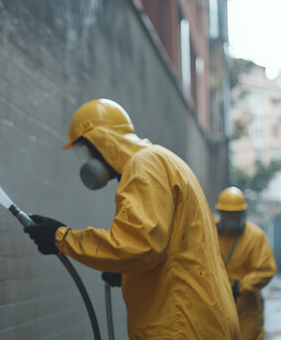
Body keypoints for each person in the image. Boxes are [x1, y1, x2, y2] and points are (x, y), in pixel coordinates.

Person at [25, 99, 240, 339]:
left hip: (180, 326)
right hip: (203, 319)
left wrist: (60, 237)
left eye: (86, 150)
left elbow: (139, 246)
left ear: (101, 140)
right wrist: (126, 272)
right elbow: (170, 248)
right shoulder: (164, 160)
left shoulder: (143, 166)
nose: (87, 161)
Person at [215, 187, 277, 340]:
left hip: (246, 307)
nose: (230, 219)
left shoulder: (255, 237)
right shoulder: (209, 230)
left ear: (242, 214)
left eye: (234, 215)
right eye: (227, 214)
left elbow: (266, 269)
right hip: (216, 305)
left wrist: (241, 286)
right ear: (221, 213)